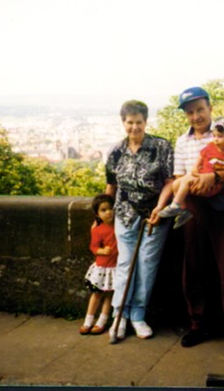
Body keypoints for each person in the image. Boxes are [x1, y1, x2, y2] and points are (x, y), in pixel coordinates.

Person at [172, 87, 224, 354]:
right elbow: (178, 177)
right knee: (193, 265)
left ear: (210, 109)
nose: (196, 116)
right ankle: (197, 323)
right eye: (190, 112)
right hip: (194, 207)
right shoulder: (182, 142)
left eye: (200, 110)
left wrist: (214, 178)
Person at [105, 99, 175, 343]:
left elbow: (169, 181)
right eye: (130, 122)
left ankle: (138, 314)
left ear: (146, 122)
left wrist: (160, 207)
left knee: (147, 264)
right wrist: (102, 214)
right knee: (125, 263)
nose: (134, 127)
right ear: (123, 122)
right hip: (124, 214)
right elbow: (111, 184)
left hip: (154, 215)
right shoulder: (116, 151)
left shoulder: (161, 147)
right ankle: (120, 315)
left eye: (139, 122)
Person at [159, 117, 224, 229]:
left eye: (220, 137)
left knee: (186, 180)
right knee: (176, 184)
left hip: (215, 188)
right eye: (214, 136)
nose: (215, 139)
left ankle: (175, 205)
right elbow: (202, 155)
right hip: (198, 183)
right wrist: (195, 168)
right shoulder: (211, 146)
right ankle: (183, 210)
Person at [80, 193, 117, 335]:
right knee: (96, 294)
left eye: (110, 208)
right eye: (103, 210)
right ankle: (88, 320)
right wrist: (102, 251)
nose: (108, 212)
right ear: (97, 213)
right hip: (102, 267)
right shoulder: (97, 230)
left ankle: (102, 320)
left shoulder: (118, 227)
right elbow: (93, 248)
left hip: (114, 267)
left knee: (109, 295)